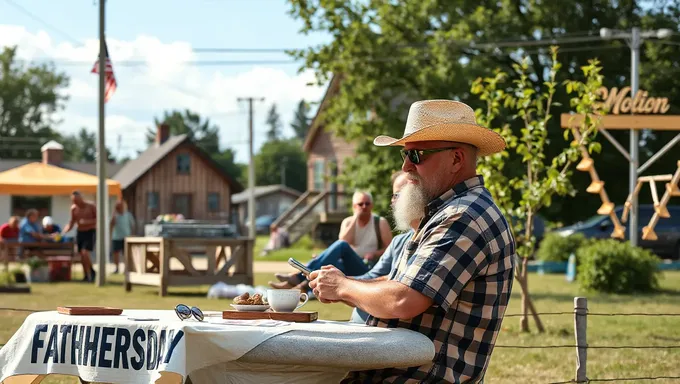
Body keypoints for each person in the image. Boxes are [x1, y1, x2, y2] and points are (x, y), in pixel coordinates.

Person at [309, 100, 516, 383]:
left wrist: (344, 287)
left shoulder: (463, 215)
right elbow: (402, 286)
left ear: (456, 159)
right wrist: (346, 285)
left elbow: (404, 299)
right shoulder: (447, 211)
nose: (406, 167)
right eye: (404, 156)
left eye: (417, 155)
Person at [269, 190, 393, 291]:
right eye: (360, 204)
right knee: (329, 265)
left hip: (368, 268)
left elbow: (390, 250)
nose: (364, 207)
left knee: (340, 248)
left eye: (367, 204)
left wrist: (374, 254)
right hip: (349, 265)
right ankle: (302, 286)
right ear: (354, 207)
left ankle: (297, 278)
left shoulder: (380, 222)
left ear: (372, 205)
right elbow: (344, 242)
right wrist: (356, 218)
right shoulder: (348, 222)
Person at [349, 170, 421, 323]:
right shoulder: (399, 241)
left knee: (341, 247)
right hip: (372, 333)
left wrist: (343, 286)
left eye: (396, 195)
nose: (392, 202)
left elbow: (403, 300)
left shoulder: (431, 238)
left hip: (390, 337)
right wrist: (341, 281)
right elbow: (373, 276)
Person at [62, 191, 97, 282]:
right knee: (81, 255)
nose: (76, 202)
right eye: (74, 201)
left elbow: (98, 219)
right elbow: (72, 222)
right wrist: (63, 232)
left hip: (90, 231)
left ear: (82, 198)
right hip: (80, 232)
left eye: (77, 200)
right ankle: (86, 275)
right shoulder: (74, 209)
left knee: (85, 252)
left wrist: (87, 222)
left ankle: (92, 271)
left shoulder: (91, 206)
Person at [110, 200, 135, 274]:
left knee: (126, 254)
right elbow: (111, 225)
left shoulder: (128, 215)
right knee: (116, 253)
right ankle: (116, 268)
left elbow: (132, 225)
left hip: (126, 237)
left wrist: (132, 235)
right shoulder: (115, 215)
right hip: (116, 237)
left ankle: (126, 268)